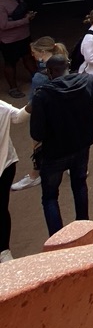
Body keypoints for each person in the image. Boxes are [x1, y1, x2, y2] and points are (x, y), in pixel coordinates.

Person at [30, 54, 93, 236]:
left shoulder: (43, 94)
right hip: (82, 145)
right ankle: (84, 229)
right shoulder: (88, 81)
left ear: (50, 72)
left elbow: (37, 133)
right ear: (68, 65)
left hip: (54, 153)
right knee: (79, 184)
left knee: (50, 196)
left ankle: (58, 239)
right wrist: (86, 120)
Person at [10, 36, 67, 192]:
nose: (32, 55)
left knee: (38, 145)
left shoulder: (39, 77)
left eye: (34, 52)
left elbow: (34, 101)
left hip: (46, 116)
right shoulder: (63, 64)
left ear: (42, 52)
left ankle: (35, 175)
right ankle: (70, 165)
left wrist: (23, 115)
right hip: (63, 112)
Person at [0, 94, 32, 261]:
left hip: (5, 165)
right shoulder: (1, 107)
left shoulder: (1, 108)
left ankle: (4, 250)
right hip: (6, 163)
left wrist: (35, 101)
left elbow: (18, 117)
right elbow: (18, 117)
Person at [0, 0, 37, 99]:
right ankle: (13, 88)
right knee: (10, 63)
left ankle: (37, 79)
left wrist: (28, 15)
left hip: (24, 36)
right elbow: (3, 25)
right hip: (9, 40)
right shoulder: (1, 5)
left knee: (28, 57)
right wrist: (25, 21)